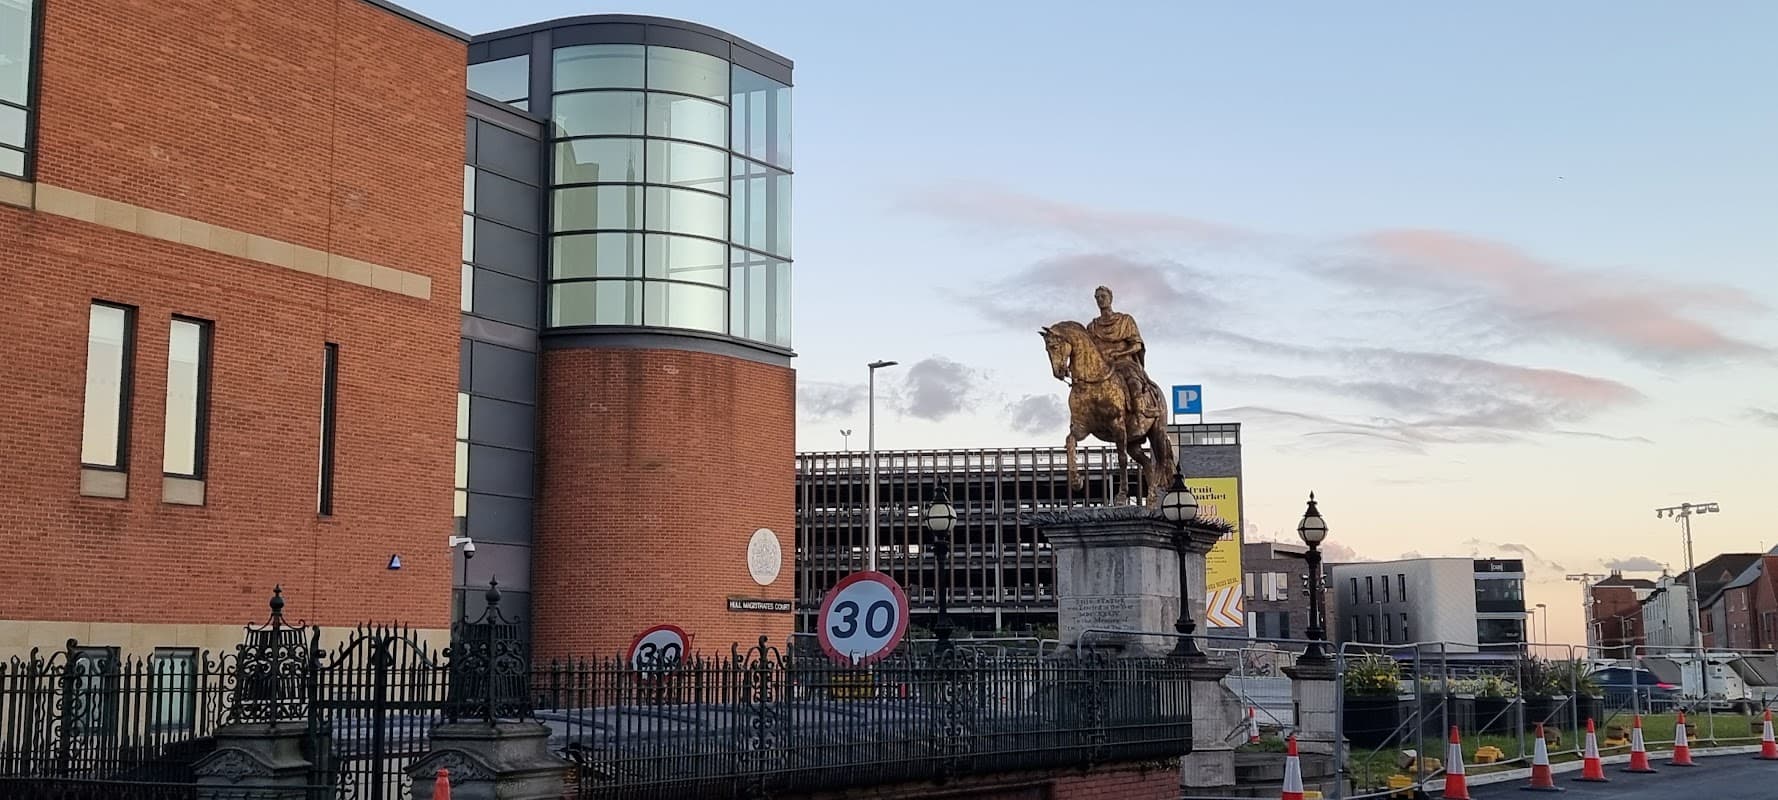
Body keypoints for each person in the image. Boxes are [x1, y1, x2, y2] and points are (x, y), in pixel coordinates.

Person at [1086, 286, 1159, 420]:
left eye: (1103, 296)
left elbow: (1137, 345)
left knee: (1133, 381)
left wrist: (1119, 353)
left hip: (1124, 363)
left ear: (1110, 298)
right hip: (1102, 367)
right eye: (1097, 297)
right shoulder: (1092, 327)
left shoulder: (1125, 321)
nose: (1100, 300)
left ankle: (1141, 411)